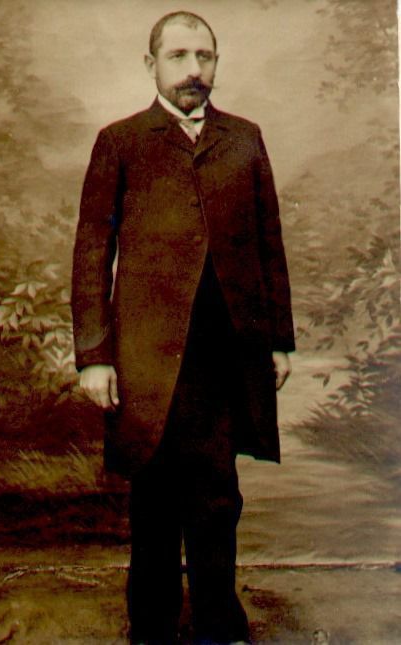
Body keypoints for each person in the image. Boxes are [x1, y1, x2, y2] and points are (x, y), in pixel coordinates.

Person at [71, 11, 295, 644]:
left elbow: (269, 244)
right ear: (151, 65)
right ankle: (152, 625)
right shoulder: (121, 142)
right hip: (145, 357)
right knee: (154, 498)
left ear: (216, 64)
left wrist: (279, 340)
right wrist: (94, 355)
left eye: (205, 56)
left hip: (222, 355)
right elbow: (91, 253)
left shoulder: (244, 139)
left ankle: (219, 622)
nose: (194, 70)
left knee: (218, 493)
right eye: (178, 56)